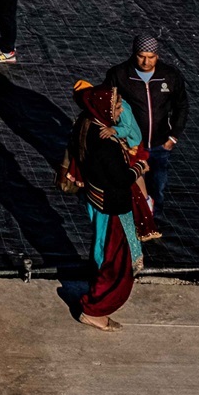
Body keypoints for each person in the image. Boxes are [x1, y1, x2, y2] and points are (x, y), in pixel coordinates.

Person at [66, 82, 148, 331]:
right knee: (117, 264)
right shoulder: (106, 144)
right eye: (117, 105)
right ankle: (95, 309)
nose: (121, 110)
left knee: (102, 253)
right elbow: (122, 178)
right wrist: (140, 168)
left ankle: (95, 303)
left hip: (97, 201)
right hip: (113, 207)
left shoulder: (85, 125)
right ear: (104, 108)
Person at [104, 35, 188, 216]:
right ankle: (133, 223)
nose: (146, 61)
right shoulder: (119, 74)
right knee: (131, 187)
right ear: (134, 54)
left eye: (151, 57)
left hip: (160, 145)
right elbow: (106, 105)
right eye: (141, 56)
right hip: (131, 145)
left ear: (157, 56)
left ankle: (153, 222)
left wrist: (173, 137)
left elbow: (182, 106)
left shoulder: (170, 76)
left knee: (157, 188)